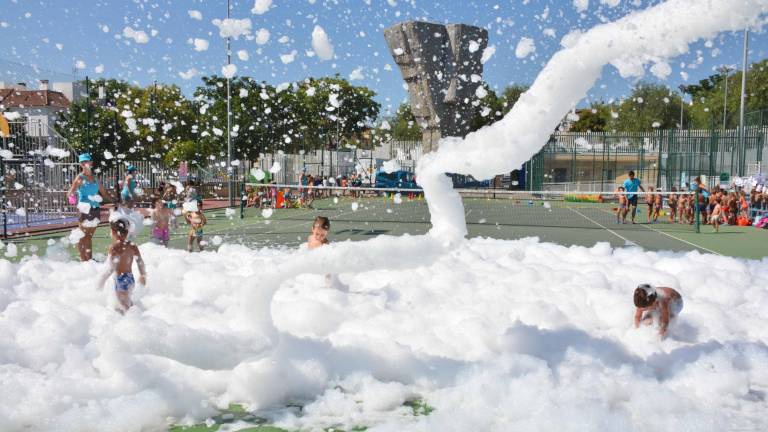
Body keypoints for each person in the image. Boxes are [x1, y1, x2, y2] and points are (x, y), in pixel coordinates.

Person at [96, 219, 147, 314]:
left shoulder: (114, 247)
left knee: (124, 307)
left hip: (121, 279)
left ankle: (134, 322)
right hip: (130, 278)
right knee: (126, 303)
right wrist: (142, 275)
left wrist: (101, 281)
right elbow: (140, 261)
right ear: (127, 232)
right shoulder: (132, 246)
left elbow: (111, 268)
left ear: (114, 232)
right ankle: (139, 314)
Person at [67, 153, 109, 261]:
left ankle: (89, 260)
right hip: (84, 210)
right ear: (81, 164)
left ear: (91, 163)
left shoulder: (95, 178)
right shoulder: (79, 177)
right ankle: (83, 261)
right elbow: (70, 193)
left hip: (95, 209)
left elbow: (104, 193)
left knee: (89, 237)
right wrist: (72, 195)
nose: (85, 164)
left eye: (87, 161)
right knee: (82, 236)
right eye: (83, 162)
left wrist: (115, 202)